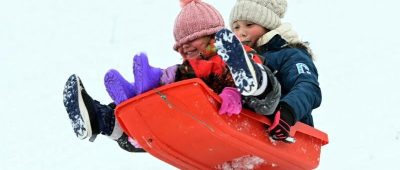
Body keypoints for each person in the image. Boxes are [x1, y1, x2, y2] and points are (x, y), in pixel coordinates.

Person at [63, 0, 280, 152]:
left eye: (191, 42)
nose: (184, 50)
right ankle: (101, 116)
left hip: (254, 116)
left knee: (261, 89)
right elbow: (173, 82)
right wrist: (156, 83)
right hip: (202, 124)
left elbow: (300, 90)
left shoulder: (231, 54)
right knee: (159, 100)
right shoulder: (189, 70)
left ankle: (251, 83)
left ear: (211, 36)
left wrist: (233, 92)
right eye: (180, 46)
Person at [228, 0, 322, 142]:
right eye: (235, 27)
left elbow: (308, 87)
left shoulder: (291, 55)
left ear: (267, 25)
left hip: (287, 132)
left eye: (249, 25)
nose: (241, 33)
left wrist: (287, 112)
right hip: (249, 130)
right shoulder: (239, 62)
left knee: (258, 75)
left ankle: (260, 81)